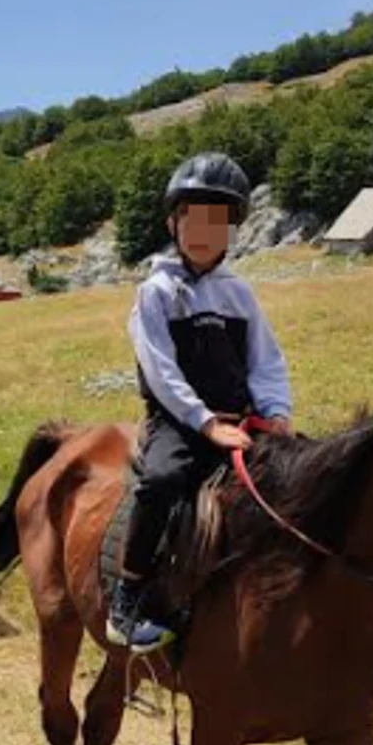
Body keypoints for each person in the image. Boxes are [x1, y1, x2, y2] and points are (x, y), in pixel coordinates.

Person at [106, 153, 293, 652]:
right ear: (174, 222)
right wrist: (205, 423)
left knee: (303, 475)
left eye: (219, 219)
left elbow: (265, 361)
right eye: (194, 216)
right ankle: (127, 596)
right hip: (180, 422)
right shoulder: (157, 291)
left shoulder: (240, 294)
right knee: (163, 479)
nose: (206, 229)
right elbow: (160, 370)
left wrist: (275, 412)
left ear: (232, 230)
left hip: (241, 420)